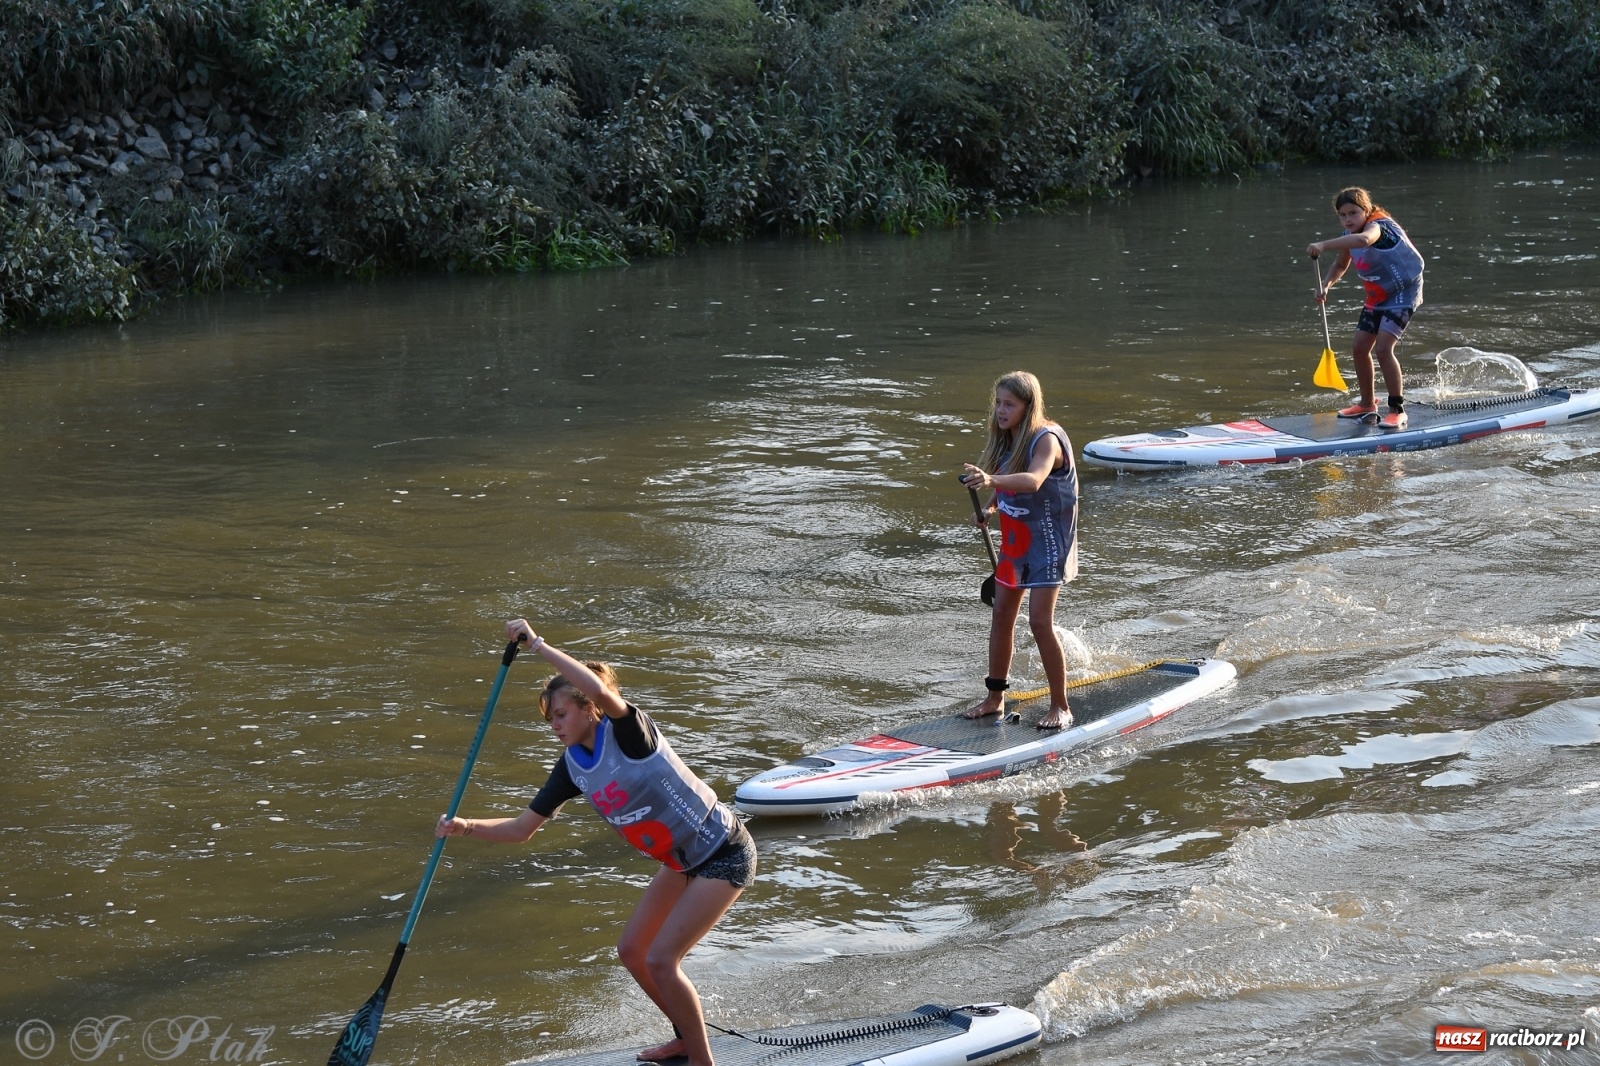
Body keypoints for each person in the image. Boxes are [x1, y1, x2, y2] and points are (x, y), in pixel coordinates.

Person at [436, 619, 756, 1066]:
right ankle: (684, 1037)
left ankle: (703, 1062)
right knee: (632, 951)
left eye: (561, 714)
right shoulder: (571, 767)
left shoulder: (629, 731)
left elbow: (602, 690)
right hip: (682, 862)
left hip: (723, 850)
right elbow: (522, 828)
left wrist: (539, 646)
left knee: (663, 960)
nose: (555, 726)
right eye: (549, 720)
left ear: (589, 707)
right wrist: (466, 826)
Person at [959, 370, 1079, 730]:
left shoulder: (1047, 440)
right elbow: (1009, 476)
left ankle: (1061, 704)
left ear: (1028, 407)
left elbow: (1034, 479)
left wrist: (992, 480)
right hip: (1016, 544)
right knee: (1001, 617)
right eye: (998, 402)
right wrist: (991, 507)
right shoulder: (1006, 440)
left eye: (1009, 404)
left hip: (1047, 543)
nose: (1000, 410)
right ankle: (995, 698)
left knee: (1040, 622)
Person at [1307, 186, 1426, 430]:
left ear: (1366, 210)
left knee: (1383, 348)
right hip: (1378, 295)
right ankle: (1367, 403)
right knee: (1359, 347)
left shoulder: (1377, 227)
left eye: (1353, 213)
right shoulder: (1347, 236)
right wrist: (1326, 285)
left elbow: (1364, 240)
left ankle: (1396, 409)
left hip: (1404, 292)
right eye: (1342, 215)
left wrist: (1322, 244)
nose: (1347, 219)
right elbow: (1340, 265)